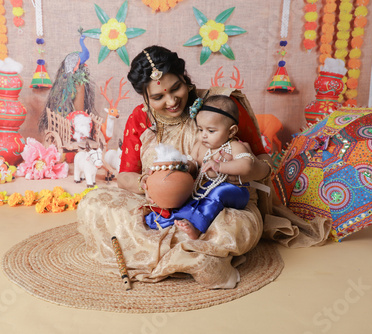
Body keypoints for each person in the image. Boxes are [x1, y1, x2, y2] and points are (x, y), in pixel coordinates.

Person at [76, 45, 273, 289]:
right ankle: (193, 255)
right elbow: (124, 176)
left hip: (215, 205)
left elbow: (264, 160)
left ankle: (179, 250)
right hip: (158, 205)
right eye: (158, 97)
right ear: (145, 97)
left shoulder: (220, 106)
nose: (171, 101)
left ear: (185, 78)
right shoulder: (140, 117)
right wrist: (146, 184)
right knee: (93, 203)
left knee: (230, 228)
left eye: (176, 88)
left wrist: (244, 169)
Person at [144, 95, 255, 240]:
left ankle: (196, 228)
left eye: (211, 131)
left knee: (218, 193)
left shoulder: (235, 146)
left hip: (234, 191)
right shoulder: (200, 146)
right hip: (204, 188)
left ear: (231, 131)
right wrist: (179, 165)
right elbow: (193, 165)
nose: (203, 136)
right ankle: (167, 220)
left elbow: (247, 165)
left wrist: (220, 166)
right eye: (200, 129)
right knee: (187, 196)